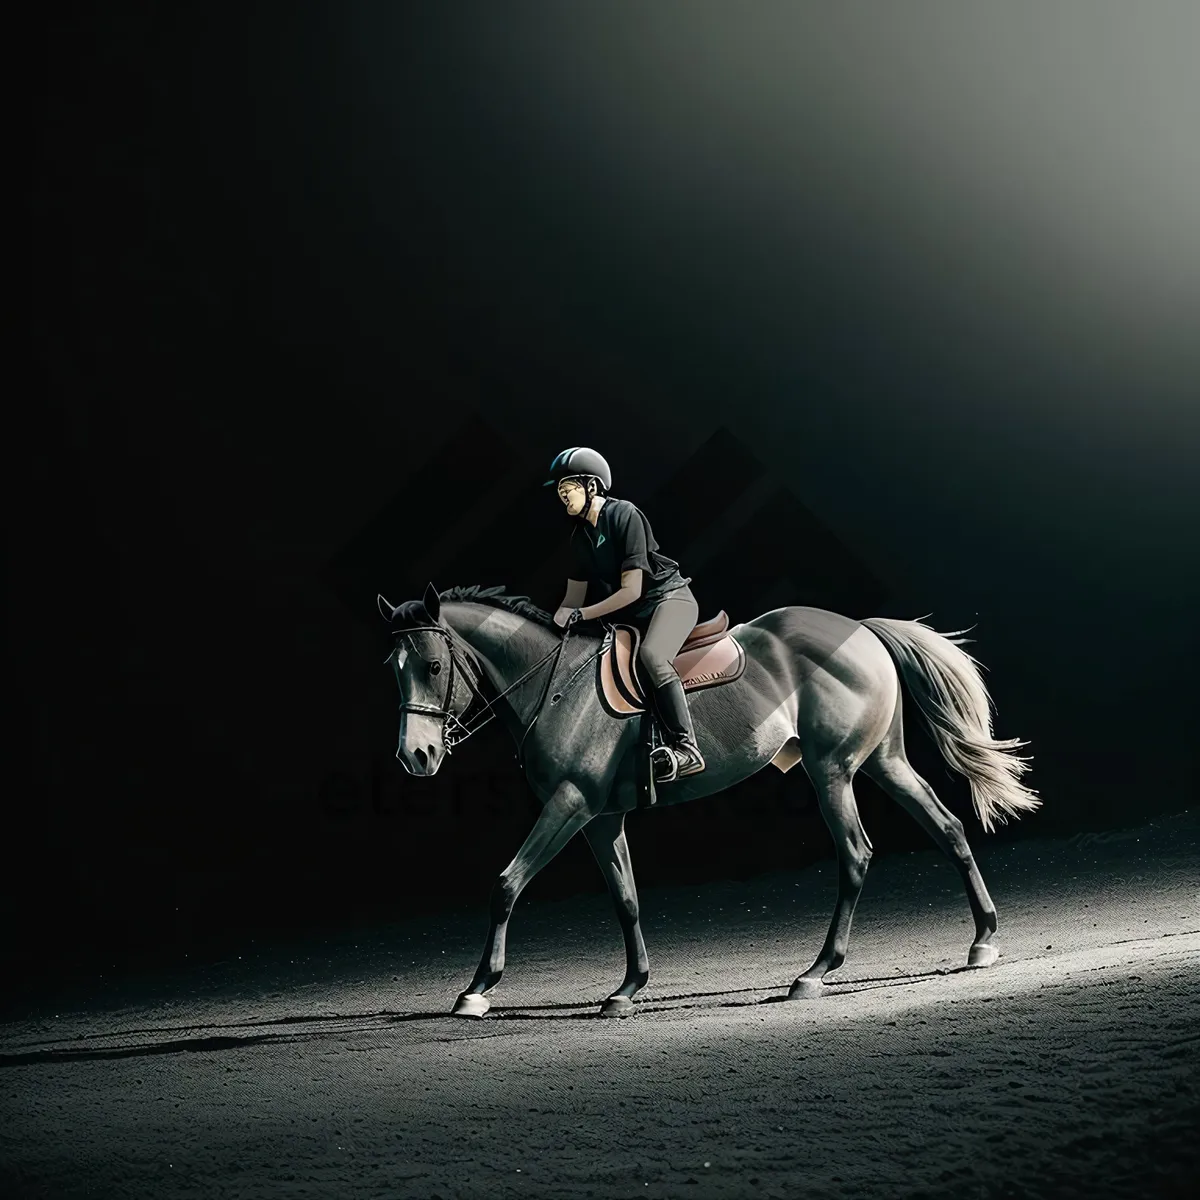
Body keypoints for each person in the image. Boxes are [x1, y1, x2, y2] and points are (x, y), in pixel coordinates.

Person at [544, 446, 705, 781]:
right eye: (559, 491)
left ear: (592, 486)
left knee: (652, 656)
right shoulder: (579, 538)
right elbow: (571, 600)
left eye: (568, 488)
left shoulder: (624, 515)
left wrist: (584, 614)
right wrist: (550, 628)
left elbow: (631, 590)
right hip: (632, 618)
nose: (563, 496)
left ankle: (687, 748)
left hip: (668, 599)